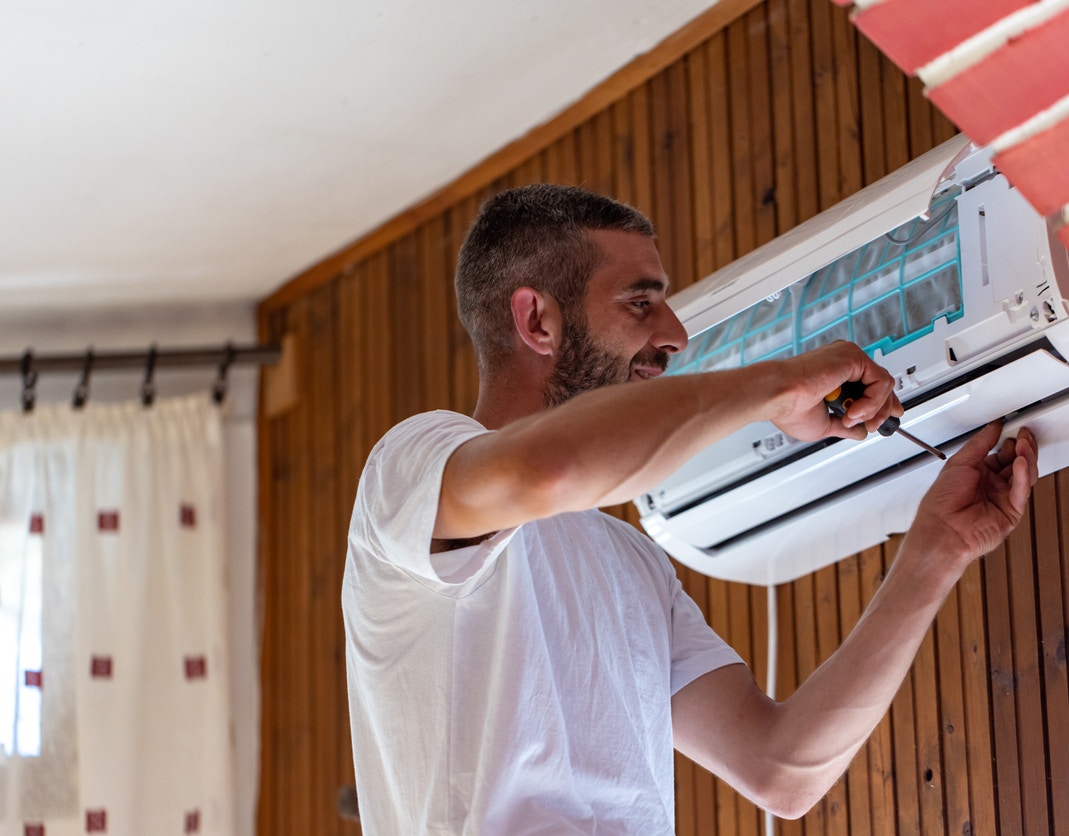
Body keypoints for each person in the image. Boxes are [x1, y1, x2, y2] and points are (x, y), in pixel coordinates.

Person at [342, 184, 1038, 834]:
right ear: (537, 320)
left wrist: (936, 550)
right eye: (639, 303)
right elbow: (548, 468)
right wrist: (780, 384)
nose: (674, 334)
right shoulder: (412, 464)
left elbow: (781, 768)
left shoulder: (631, 562)